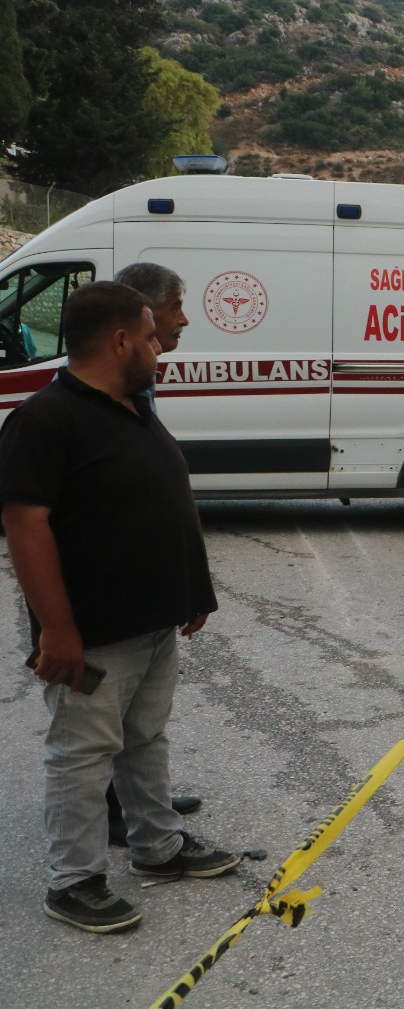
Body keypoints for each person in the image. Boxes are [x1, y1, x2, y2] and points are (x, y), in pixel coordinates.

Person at [0, 281, 238, 935]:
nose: (161, 348)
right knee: (81, 752)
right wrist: (59, 629)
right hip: (93, 631)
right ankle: (72, 882)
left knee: (144, 738)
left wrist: (191, 589)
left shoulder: (131, 406)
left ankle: (156, 849)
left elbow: (160, 496)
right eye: (152, 337)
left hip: (152, 620)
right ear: (120, 340)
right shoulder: (45, 419)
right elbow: (25, 524)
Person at [104, 264, 202, 846]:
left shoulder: (143, 380)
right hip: (116, 589)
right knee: (110, 714)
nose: (182, 319)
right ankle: (115, 814)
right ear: (142, 315)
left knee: (140, 717)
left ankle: (142, 802)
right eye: (174, 307)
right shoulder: (112, 389)